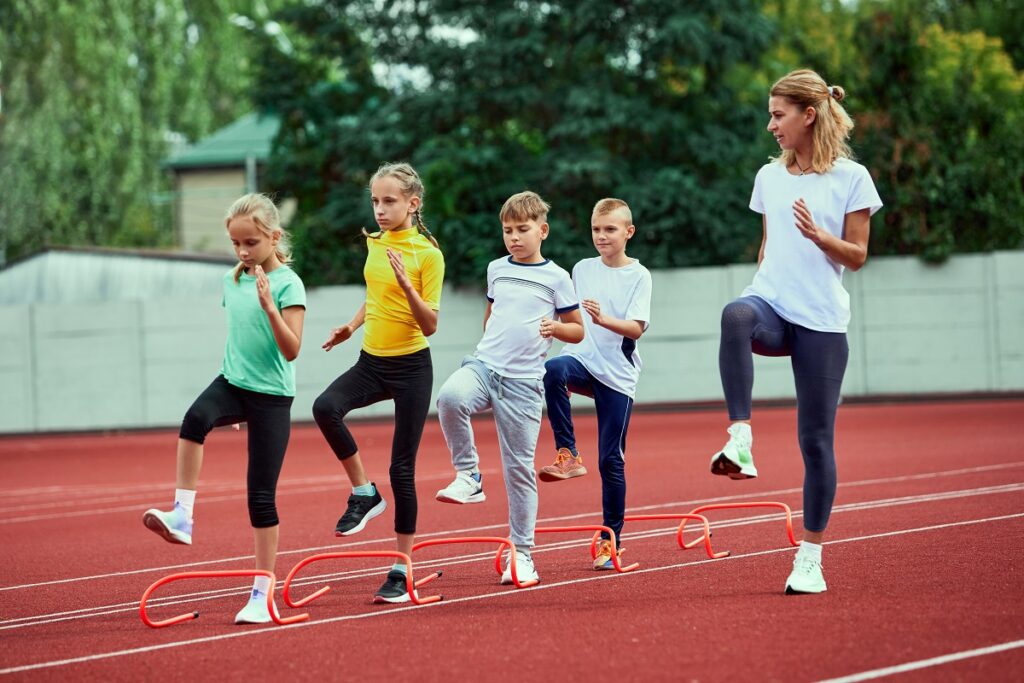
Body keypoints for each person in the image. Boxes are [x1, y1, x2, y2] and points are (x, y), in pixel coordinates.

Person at [711, 69, 882, 594]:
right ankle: (740, 439)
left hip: (822, 322)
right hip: (774, 306)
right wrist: (765, 276)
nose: (771, 125)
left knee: (815, 441)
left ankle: (810, 558)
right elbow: (768, 241)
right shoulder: (769, 177)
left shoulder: (853, 178)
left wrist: (819, 236)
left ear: (809, 115)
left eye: (778, 115)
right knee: (735, 315)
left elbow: (856, 256)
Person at [143, 193, 306, 624]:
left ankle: (262, 592)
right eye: (235, 244)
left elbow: (291, 351)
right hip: (233, 383)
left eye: (250, 242)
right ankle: (182, 516)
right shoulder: (232, 280)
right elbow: (240, 340)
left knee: (260, 497)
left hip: (272, 395)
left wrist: (271, 307)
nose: (242, 251)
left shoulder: (289, 284)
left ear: (273, 237)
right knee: (195, 419)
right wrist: (232, 409)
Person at [434, 191, 584, 585]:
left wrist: (556, 329)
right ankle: (469, 476)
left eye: (522, 229)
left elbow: (578, 329)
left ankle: (522, 554)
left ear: (543, 230)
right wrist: (495, 341)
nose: (514, 237)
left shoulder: (558, 277)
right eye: (507, 230)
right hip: (485, 367)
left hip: (523, 384)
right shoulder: (496, 269)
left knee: (519, 470)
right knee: (450, 397)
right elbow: (492, 312)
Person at [312, 162, 444, 604]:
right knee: (324, 407)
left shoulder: (427, 254)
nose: (381, 209)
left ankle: (401, 570)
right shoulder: (374, 242)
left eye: (389, 201)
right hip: (372, 361)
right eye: (375, 200)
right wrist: (350, 326)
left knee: (401, 469)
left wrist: (409, 286)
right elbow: (374, 296)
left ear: (413, 203)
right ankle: (364, 493)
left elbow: (430, 326)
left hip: (411, 368)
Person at [539, 198, 652, 570]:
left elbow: (636, 328)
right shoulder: (581, 269)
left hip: (618, 377)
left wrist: (603, 320)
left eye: (610, 229)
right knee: (553, 368)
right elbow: (567, 315)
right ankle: (567, 452)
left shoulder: (639, 275)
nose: (601, 236)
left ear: (628, 232)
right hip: (584, 363)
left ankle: (611, 541)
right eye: (596, 230)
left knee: (610, 461)